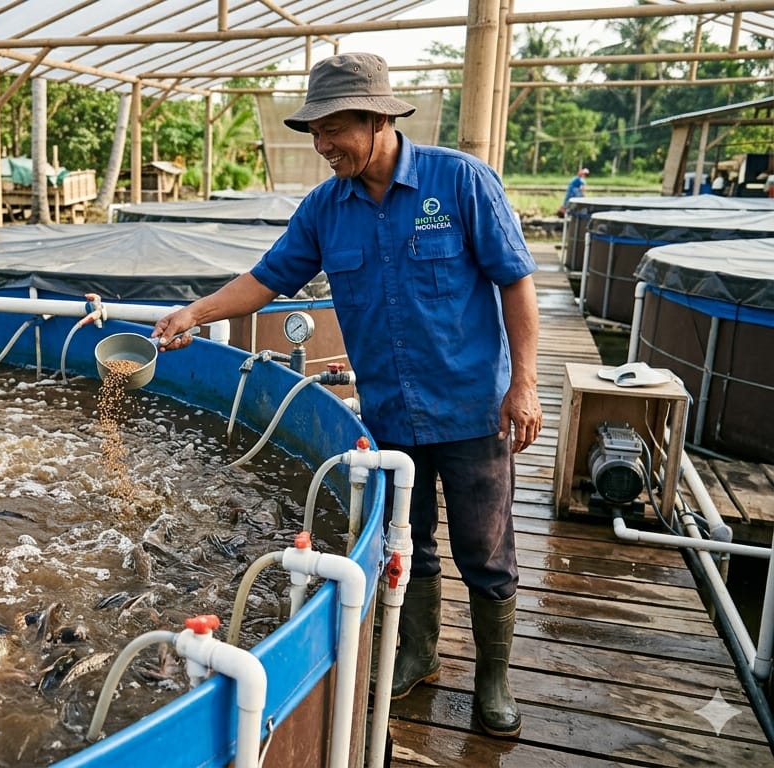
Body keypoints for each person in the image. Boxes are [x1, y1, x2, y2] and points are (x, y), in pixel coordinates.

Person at [151, 52, 540, 739]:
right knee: (407, 543)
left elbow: (515, 281)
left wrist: (526, 385)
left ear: (378, 117)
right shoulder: (326, 208)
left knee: (485, 550)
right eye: (314, 133)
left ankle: (493, 679)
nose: (322, 145)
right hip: (391, 413)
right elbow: (268, 279)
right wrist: (195, 313)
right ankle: (417, 653)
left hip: (474, 405)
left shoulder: (460, 183)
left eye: (333, 129)